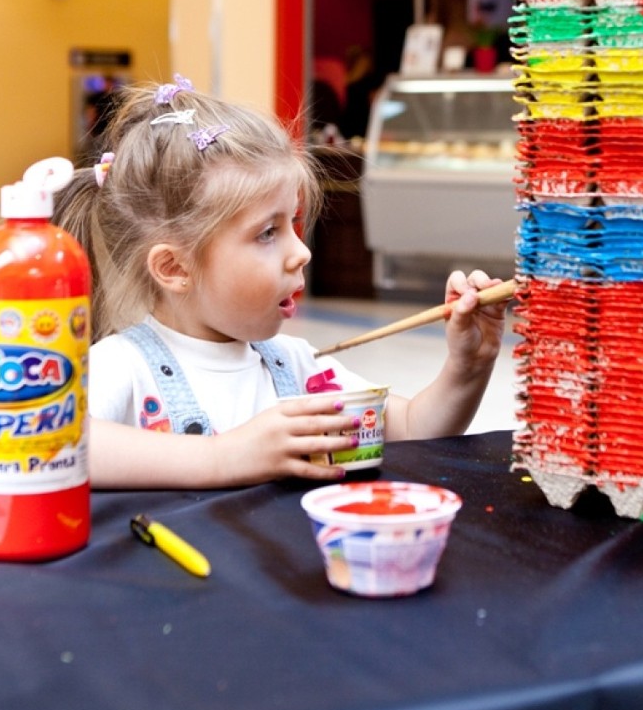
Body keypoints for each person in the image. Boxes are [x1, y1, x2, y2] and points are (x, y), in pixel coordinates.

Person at [53, 74, 507, 490]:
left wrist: (466, 367)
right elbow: (51, 444)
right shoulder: (123, 366)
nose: (301, 251)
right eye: (268, 233)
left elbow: (410, 431)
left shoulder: (299, 366)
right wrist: (219, 458)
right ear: (174, 268)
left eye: (293, 222)